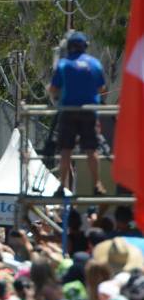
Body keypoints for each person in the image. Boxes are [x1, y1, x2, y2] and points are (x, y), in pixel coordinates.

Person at [49, 31, 108, 196]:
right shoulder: (95, 64)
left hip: (68, 112)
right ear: (85, 47)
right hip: (89, 112)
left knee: (66, 150)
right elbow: (102, 87)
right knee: (91, 150)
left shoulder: (64, 64)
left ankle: (61, 186)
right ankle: (97, 184)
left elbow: (53, 89)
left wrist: (56, 96)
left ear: (69, 47)